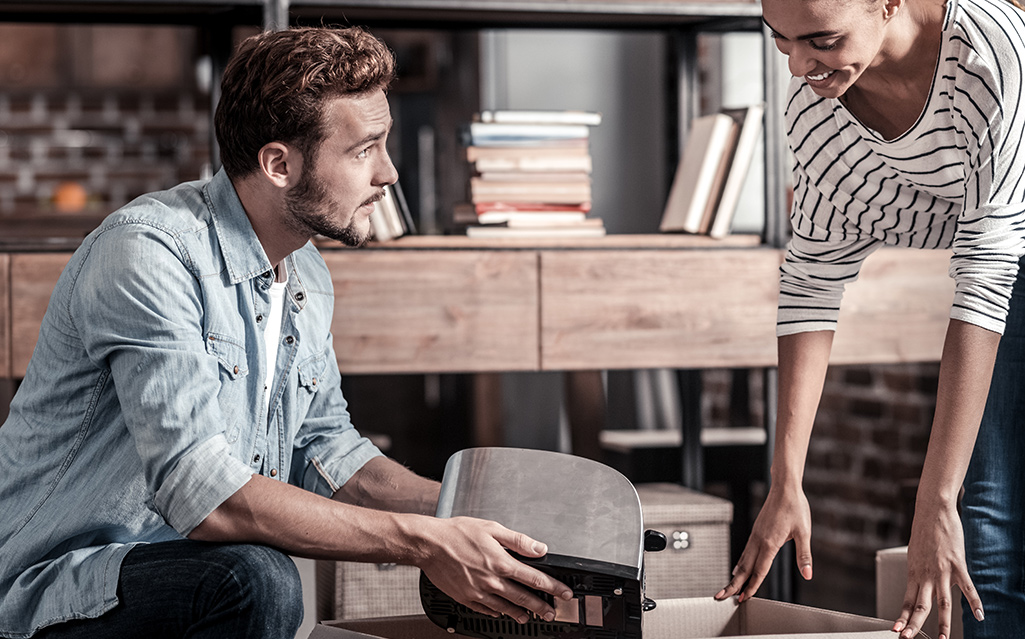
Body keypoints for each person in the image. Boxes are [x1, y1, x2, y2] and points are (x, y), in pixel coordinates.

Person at [0, 26, 573, 639]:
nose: (390, 173)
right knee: (256, 579)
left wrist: (483, 517)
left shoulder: (304, 270)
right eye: (364, 150)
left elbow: (327, 452)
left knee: (254, 574)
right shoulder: (148, 252)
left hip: (177, 569)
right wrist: (427, 543)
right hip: (57, 585)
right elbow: (204, 492)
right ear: (279, 164)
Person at [713, 0, 1025, 638]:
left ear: (889, 3)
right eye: (781, 41)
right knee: (990, 547)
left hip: (1007, 262)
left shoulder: (990, 53)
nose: (800, 66)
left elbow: (986, 279)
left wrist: (935, 502)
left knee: (979, 517)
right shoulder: (816, 113)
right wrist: (786, 480)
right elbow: (810, 283)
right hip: (1004, 259)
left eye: (821, 40)